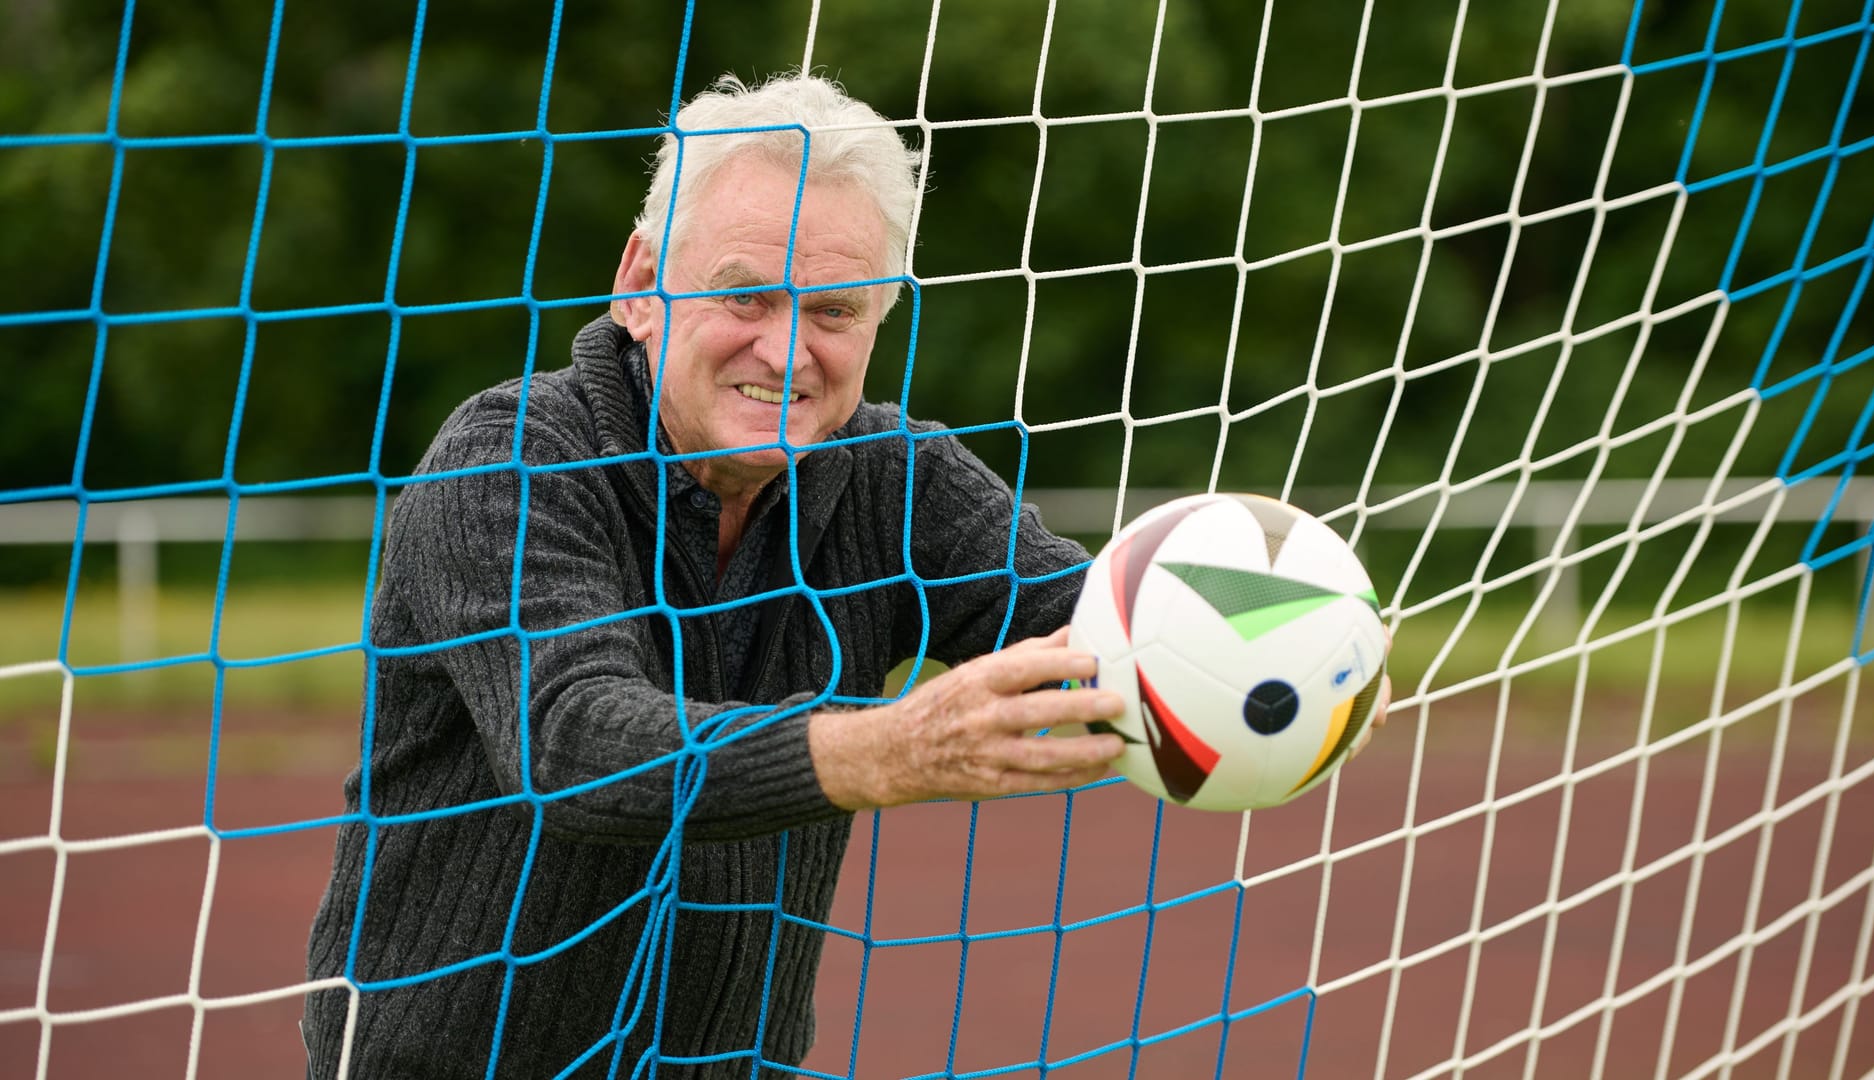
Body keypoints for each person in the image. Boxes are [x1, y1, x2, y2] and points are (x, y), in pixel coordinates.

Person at [303, 72, 1388, 1079]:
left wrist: (1292, 662)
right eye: (744, 297)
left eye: (835, 312)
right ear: (640, 284)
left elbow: (1101, 628)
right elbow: (581, 743)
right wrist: (888, 749)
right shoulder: (513, 455)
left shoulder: (890, 478)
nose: (787, 352)